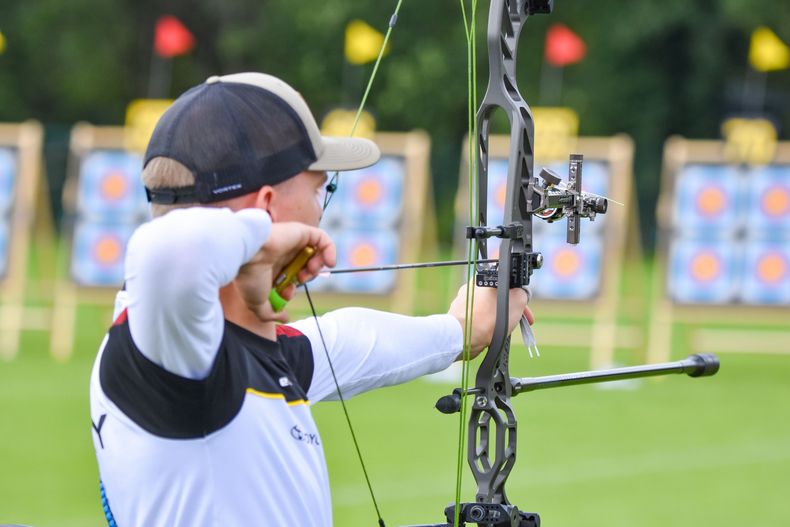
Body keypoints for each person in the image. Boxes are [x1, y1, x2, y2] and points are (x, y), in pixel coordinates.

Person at [89, 72, 533, 527]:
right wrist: (265, 239)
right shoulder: (170, 358)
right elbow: (167, 250)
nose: (322, 213)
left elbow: (347, 342)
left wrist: (458, 329)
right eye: (322, 188)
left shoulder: (243, 354)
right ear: (266, 207)